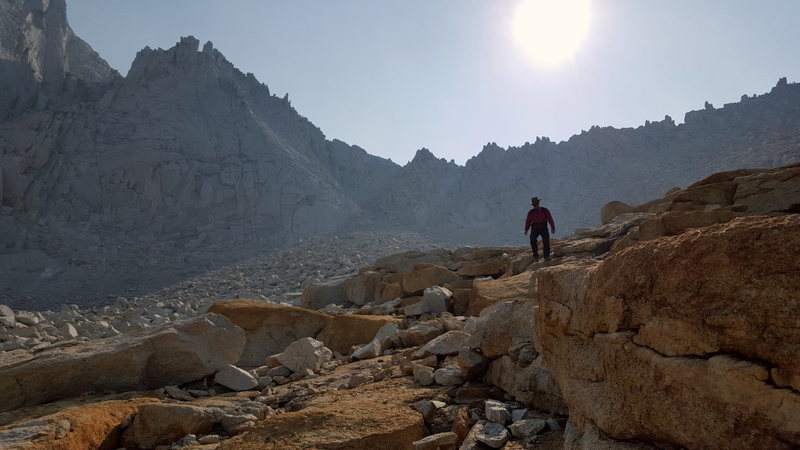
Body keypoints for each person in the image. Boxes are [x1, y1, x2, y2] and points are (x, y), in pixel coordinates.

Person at [524, 197, 555, 261]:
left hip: (543, 227)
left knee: (546, 241)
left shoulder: (545, 210)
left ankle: (546, 256)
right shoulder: (531, 212)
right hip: (535, 228)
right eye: (534, 205)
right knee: (532, 240)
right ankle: (535, 255)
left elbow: (550, 219)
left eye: (536, 204)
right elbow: (528, 221)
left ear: (538, 203)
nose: (535, 206)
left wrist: (552, 227)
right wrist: (526, 229)